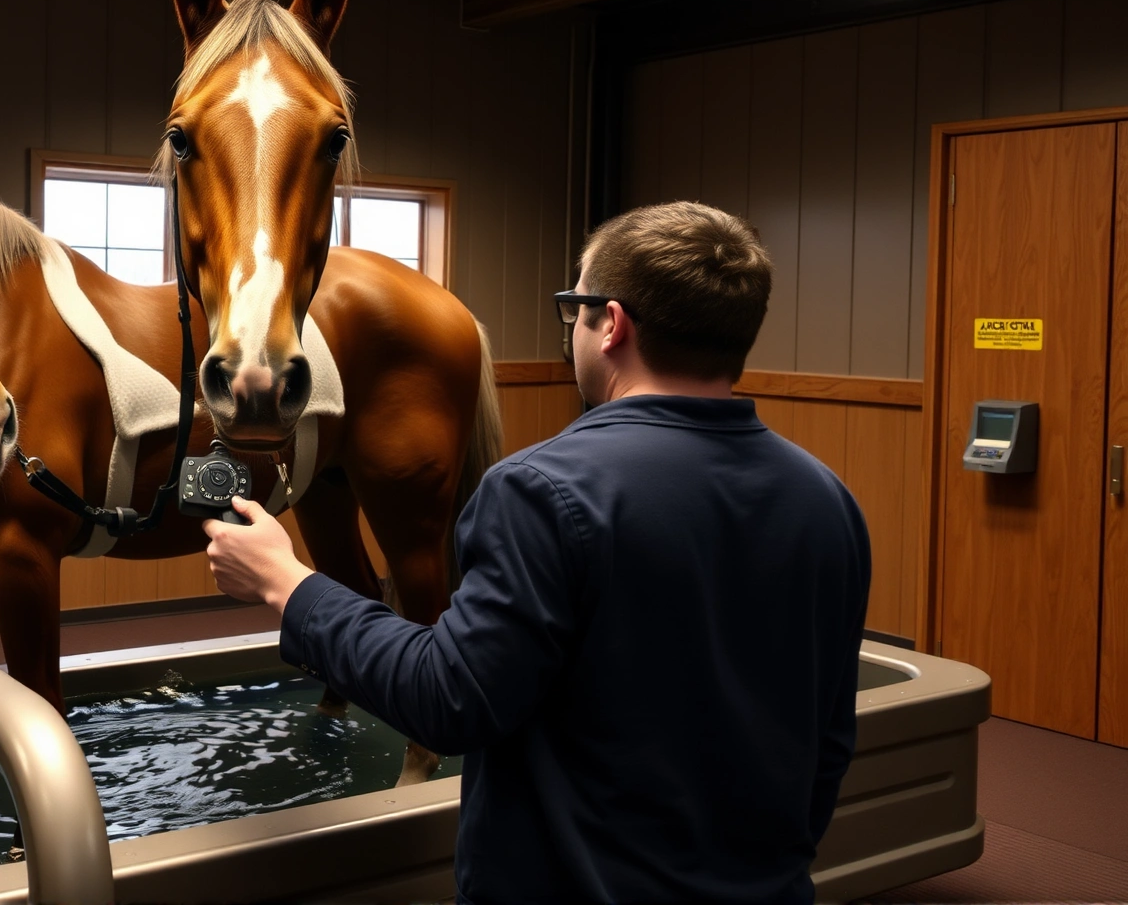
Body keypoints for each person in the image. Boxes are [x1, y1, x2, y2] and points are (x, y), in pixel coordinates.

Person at [204, 201, 870, 904]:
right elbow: (828, 744)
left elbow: (448, 699)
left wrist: (289, 584)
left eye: (573, 309)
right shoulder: (828, 501)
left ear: (610, 324)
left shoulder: (542, 491)